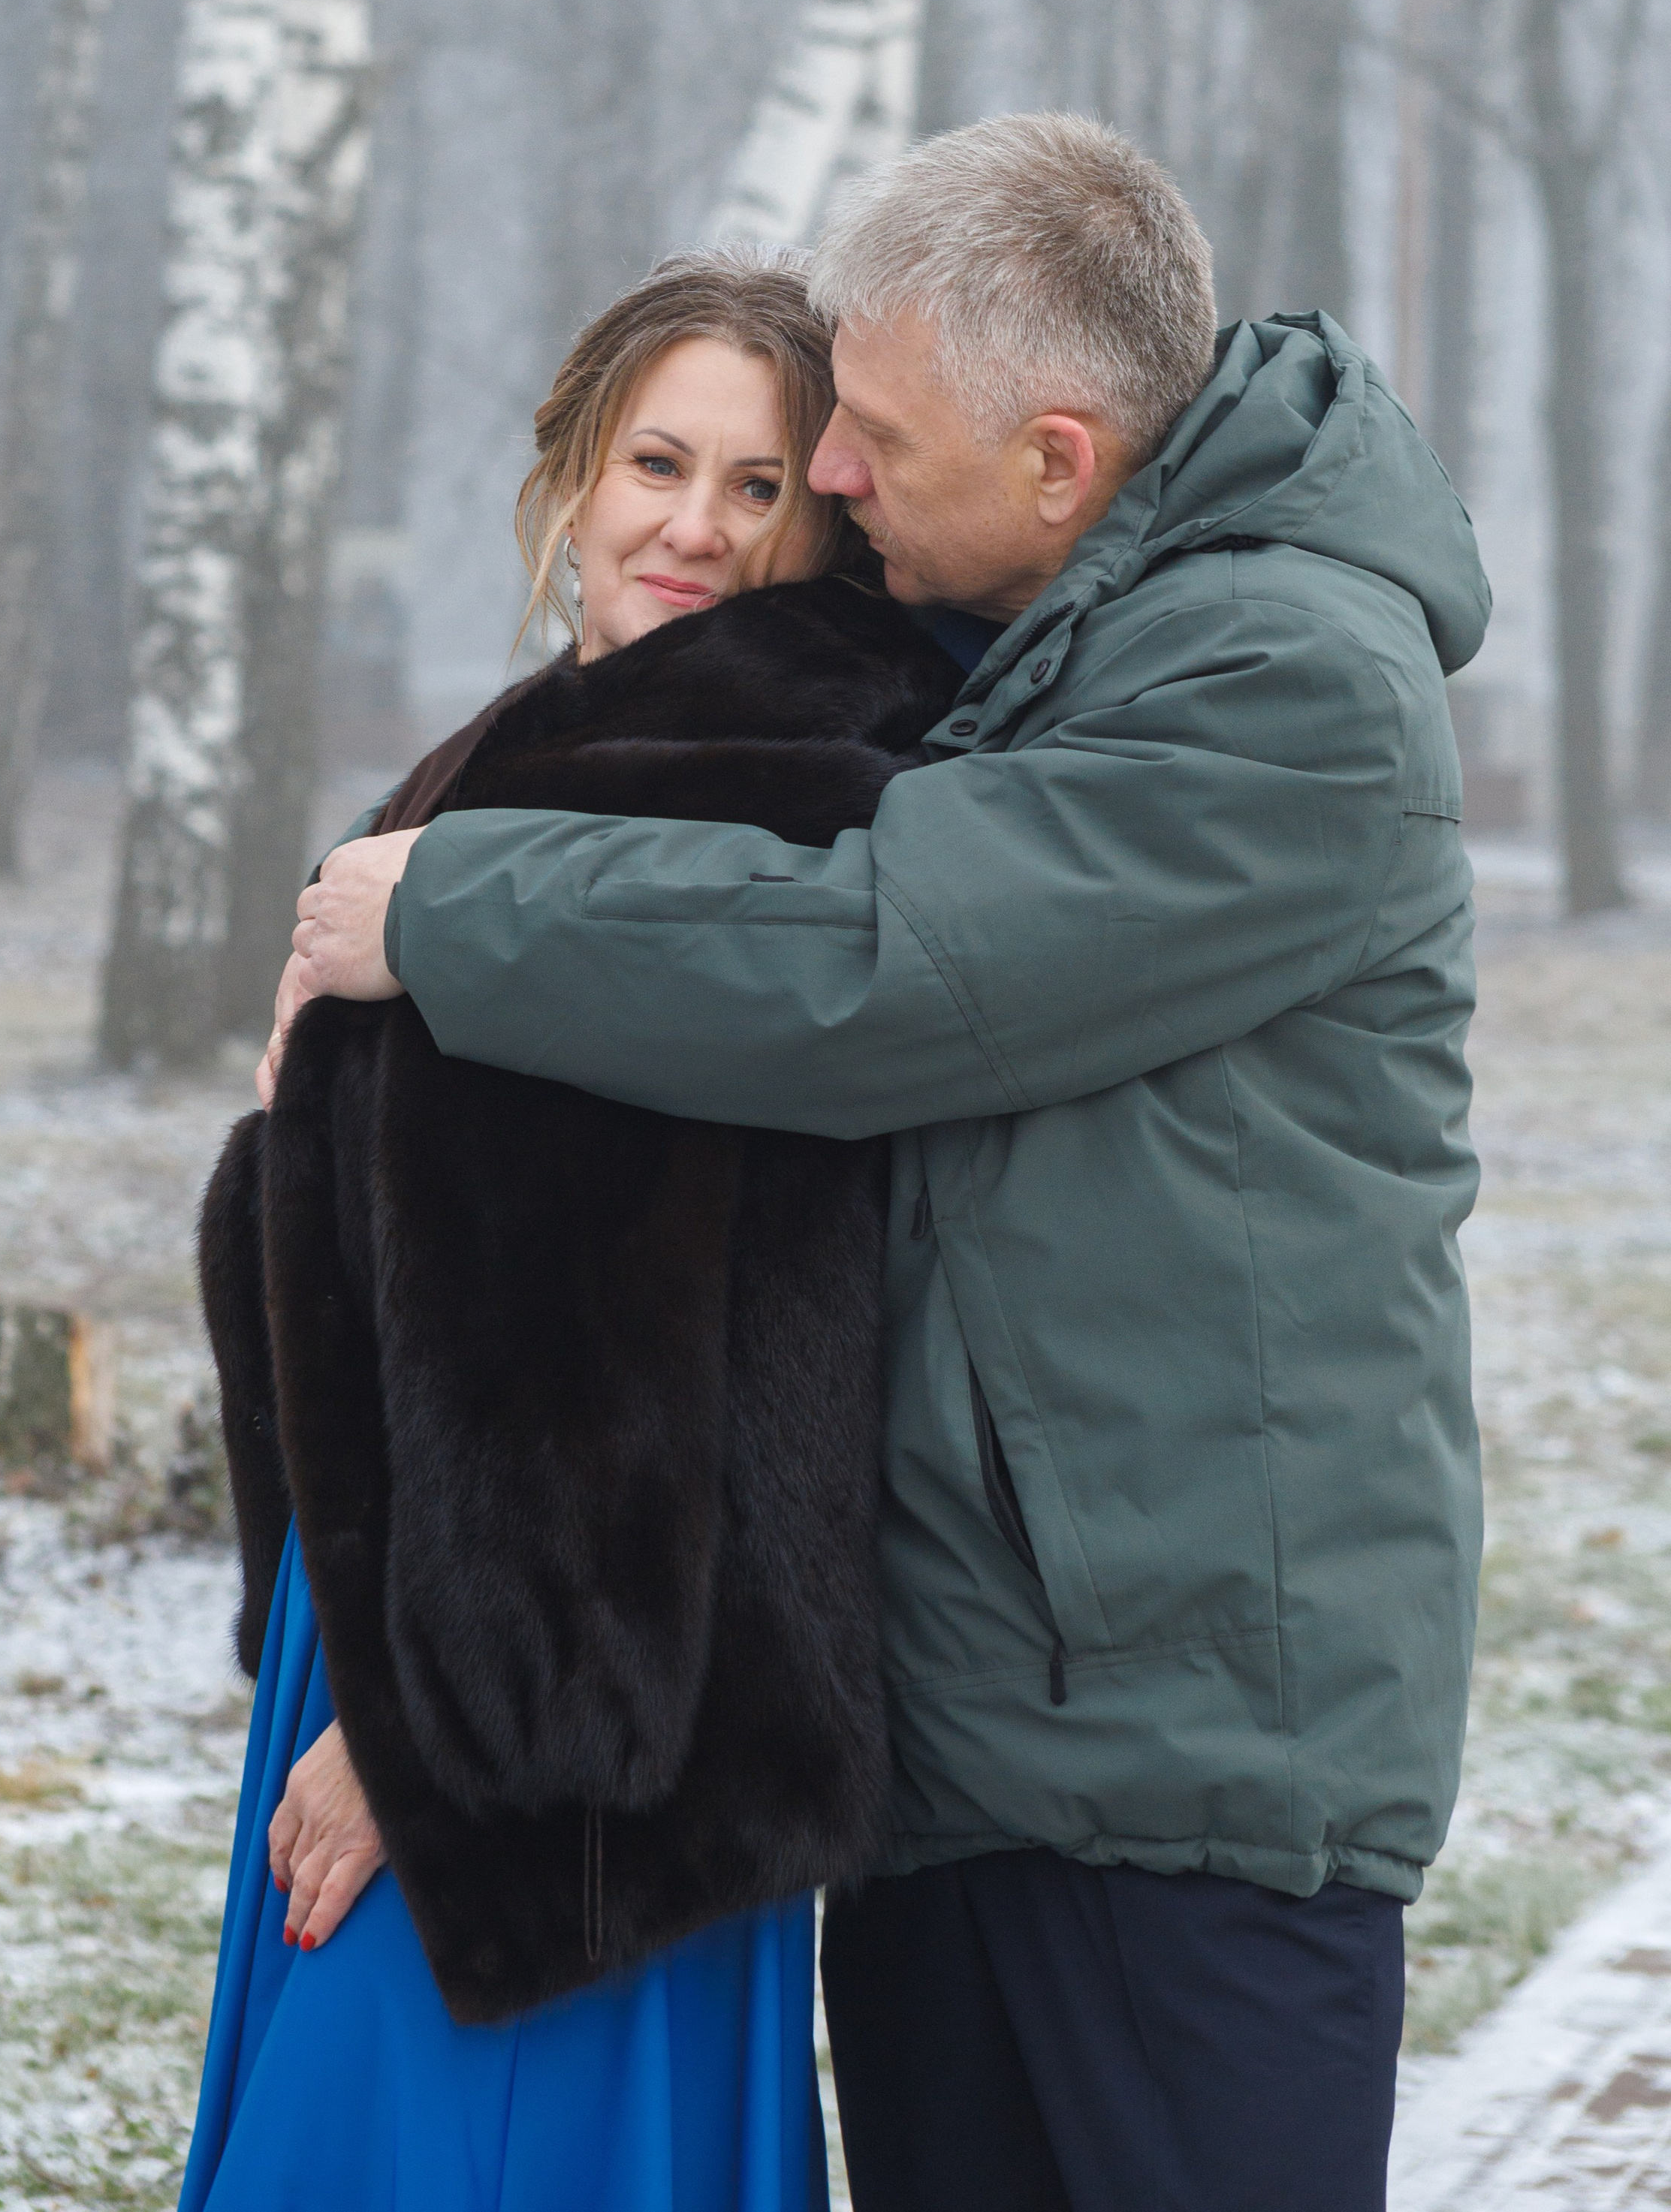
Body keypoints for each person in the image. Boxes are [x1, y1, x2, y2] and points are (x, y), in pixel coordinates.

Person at [290, 113, 1492, 2212]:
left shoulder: (1286, 681)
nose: (827, 484)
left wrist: (449, 911)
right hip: (972, 1741)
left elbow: (881, 965)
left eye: (859, 438)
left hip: (1180, 1761)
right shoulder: (1044, 634)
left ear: (1057, 455)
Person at [182, 247, 918, 2212]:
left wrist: (428, 1754)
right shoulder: (525, 764)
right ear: (571, 469)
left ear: (817, 527)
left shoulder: (719, 797)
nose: (690, 522)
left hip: (570, 1735)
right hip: (447, 1639)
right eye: (655, 458)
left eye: (756, 485)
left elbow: (616, 1359)